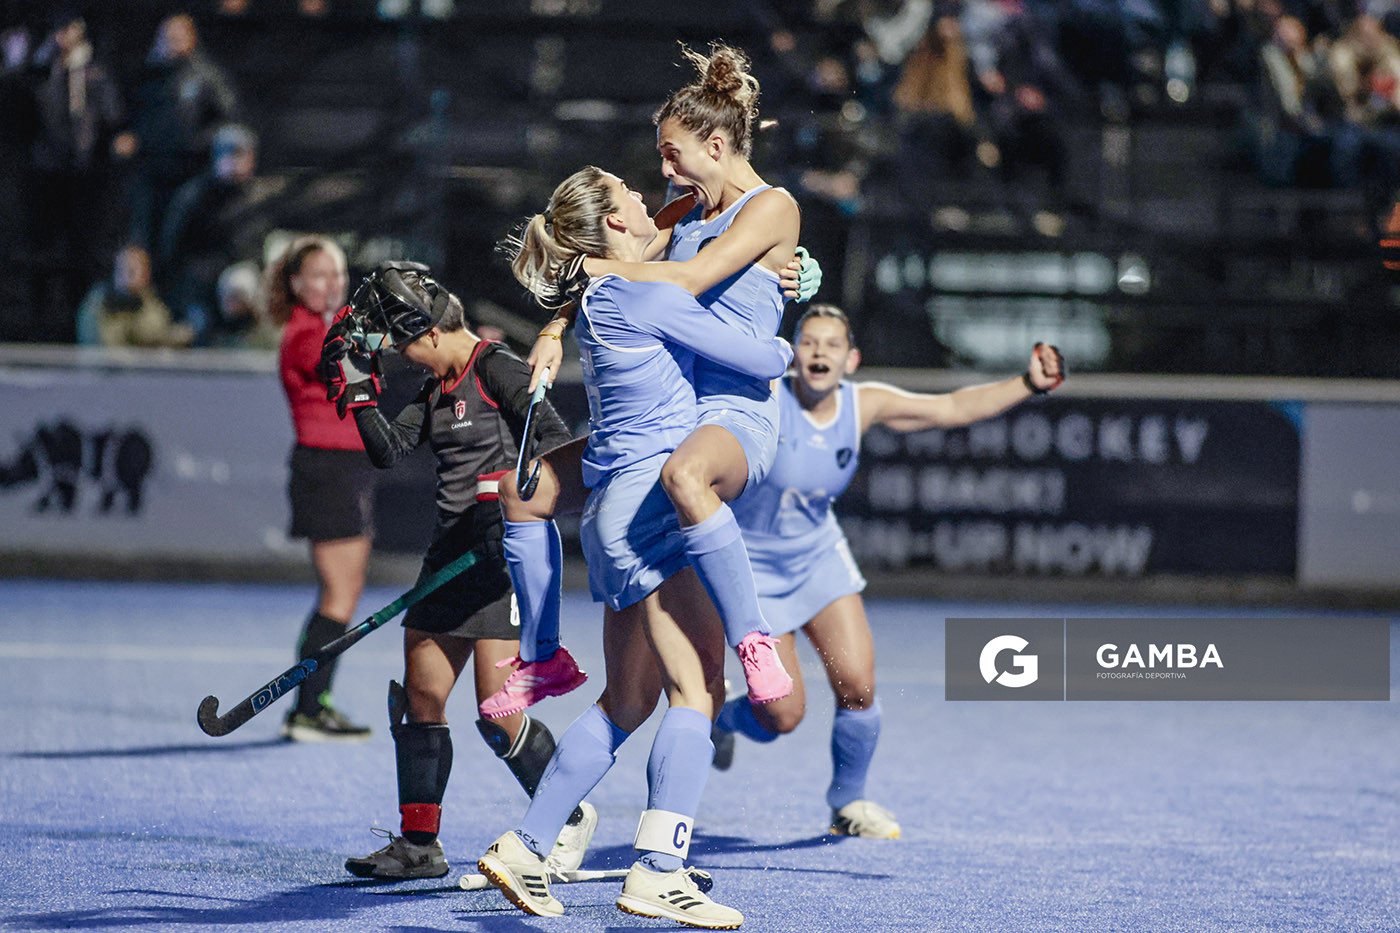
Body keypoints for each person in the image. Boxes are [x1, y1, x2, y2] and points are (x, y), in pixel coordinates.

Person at [476, 166, 793, 928]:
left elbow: (672, 244)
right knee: (697, 691)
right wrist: (776, 300)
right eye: (632, 197)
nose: (650, 201)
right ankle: (659, 868)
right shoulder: (643, 292)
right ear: (614, 225)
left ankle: (525, 846)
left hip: (612, 516)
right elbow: (761, 361)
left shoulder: (601, 294)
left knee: (627, 700)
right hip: (649, 510)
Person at [480, 43, 821, 722]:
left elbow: (677, 280)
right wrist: (558, 321)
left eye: (672, 155)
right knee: (526, 490)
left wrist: (589, 275)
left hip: (725, 419)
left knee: (752, 706)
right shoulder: (680, 206)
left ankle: (731, 679)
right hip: (672, 417)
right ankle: (543, 655)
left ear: (716, 144)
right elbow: (634, 267)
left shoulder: (771, 207)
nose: (662, 172)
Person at [711, 304, 1065, 839]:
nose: (820, 353)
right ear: (791, 352)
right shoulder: (763, 398)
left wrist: (1027, 384)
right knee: (782, 717)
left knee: (857, 686)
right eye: (809, 342)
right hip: (754, 572)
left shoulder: (864, 403)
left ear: (850, 359)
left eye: (832, 345)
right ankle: (725, 720)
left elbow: (951, 407)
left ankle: (848, 803)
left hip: (819, 560)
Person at [316, 261, 595, 880]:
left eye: (402, 341)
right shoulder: (435, 387)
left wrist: (515, 511)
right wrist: (361, 395)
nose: (401, 355)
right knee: (422, 694)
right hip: (449, 555)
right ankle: (419, 847)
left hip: (498, 560)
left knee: (498, 713)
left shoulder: (496, 367)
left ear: (432, 332)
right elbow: (389, 452)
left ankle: (568, 819)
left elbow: (552, 444)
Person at [264, 235, 373, 741]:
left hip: (347, 469)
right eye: (320, 275)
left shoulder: (330, 327)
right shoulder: (307, 334)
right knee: (337, 597)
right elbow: (349, 366)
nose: (332, 283)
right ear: (297, 284)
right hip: (326, 471)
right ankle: (308, 708)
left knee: (342, 598)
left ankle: (314, 704)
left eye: (338, 273)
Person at [75, 244, 193, 348]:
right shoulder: (97, 303)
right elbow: (103, 344)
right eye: (127, 269)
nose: (131, 275)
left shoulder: (148, 300)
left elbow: (156, 329)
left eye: (140, 269)